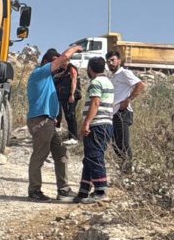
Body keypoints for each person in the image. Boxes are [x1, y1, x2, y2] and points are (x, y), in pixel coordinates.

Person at [26, 45, 83, 201]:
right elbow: (64, 58)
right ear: (45, 62)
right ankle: (34, 190)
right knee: (40, 155)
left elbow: (64, 66)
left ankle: (63, 190)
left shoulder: (48, 78)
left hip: (48, 121)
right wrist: (75, 48)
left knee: (61, 153)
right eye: (54, 61)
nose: (59, 64)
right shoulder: (40, 73)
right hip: (41, 120)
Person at [76, 57, 115, 203]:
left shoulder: (96, 82)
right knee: (89, 157)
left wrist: (86, 123)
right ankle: (84, 190)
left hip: (98, 124)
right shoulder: (108, 82)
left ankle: (100, 190)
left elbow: (95, 103)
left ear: (90, 68)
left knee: (95, 156)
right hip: (105, 124)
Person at [107, 50, 145, 173]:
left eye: (113, 60)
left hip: (122, 112)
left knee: (123, 143)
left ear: (119, 61)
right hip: (113, 113)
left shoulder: (124, 73)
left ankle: (127, 172)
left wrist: (128, 100)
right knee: (116, 144)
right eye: (108, 61)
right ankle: (123, 168)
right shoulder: (112, 76)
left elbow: (140, 85)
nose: (110, 63)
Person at [54, 57, 81, 144]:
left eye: (64, 61)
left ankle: (74, 137)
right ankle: (71, 137)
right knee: (68, 116)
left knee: (71, 115)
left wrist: (72, 95)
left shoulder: (72, 69)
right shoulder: (63, 70)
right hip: (64, 96)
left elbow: (74, 81)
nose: (63, 63)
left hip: (71, 96)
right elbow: (56, 77)